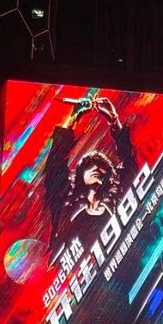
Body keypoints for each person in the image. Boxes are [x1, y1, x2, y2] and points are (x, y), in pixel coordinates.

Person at [44, 94, 135, 262]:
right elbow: (54, 165)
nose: (95, 168)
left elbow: (129, 161)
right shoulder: (65, 208)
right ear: (80, 177)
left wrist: (114, 120)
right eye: (89, 166)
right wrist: (74, 116)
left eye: (101, 166)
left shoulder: (121, 200)